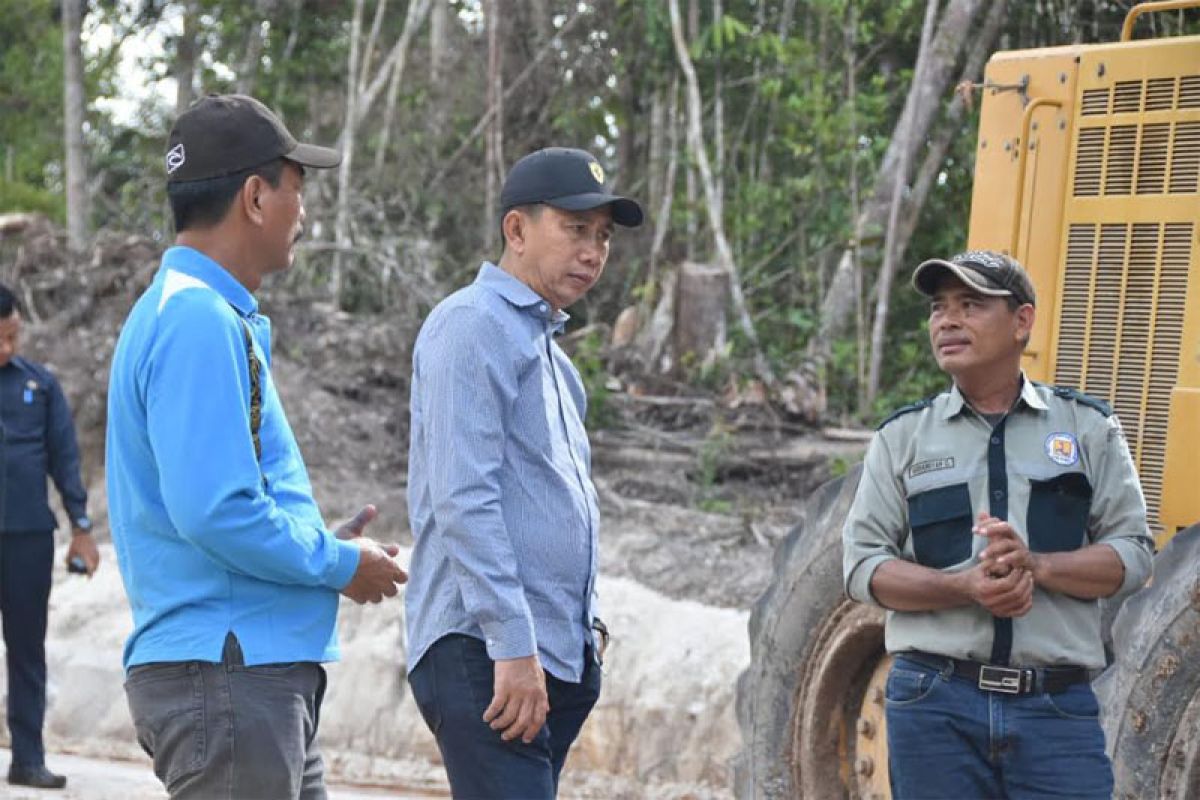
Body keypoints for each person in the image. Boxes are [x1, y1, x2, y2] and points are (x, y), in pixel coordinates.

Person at [105, 94, 408, 799]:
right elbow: (215, 512)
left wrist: (307, 544)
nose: (303, 211)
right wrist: (336, 563)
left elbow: (219, 507)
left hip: (244, 672)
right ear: (254, 197)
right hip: (229, 676)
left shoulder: (194, 312)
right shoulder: (196, 319)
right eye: (297, 189)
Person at [842, 249, 1154, 799]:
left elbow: (1132, 554)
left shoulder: (1089, 429)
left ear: (1022, 321)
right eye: (939, 308)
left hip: (1055, 708)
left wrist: (1036, 564)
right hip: (934, 703)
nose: (948, 320)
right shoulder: (902, 438)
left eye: (971, 304)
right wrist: (964, 587)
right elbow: (863, 566)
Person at [405, 147, 642, 798]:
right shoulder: (471, 326)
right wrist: (511, 643)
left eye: (602, 237)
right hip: (482, 647)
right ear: (517, 230)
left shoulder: (554, 361)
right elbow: (463, 497)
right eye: (574, 229)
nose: (593, 251)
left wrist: (584, 633)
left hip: (547, 657)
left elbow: (556, 502)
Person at [0, 284, 99, 790]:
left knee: (26, 650)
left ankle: (28, 758)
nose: (7, 350)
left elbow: (64, 459)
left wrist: (81, 528)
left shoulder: (39, 386)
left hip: (26, 539)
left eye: (12, 337)